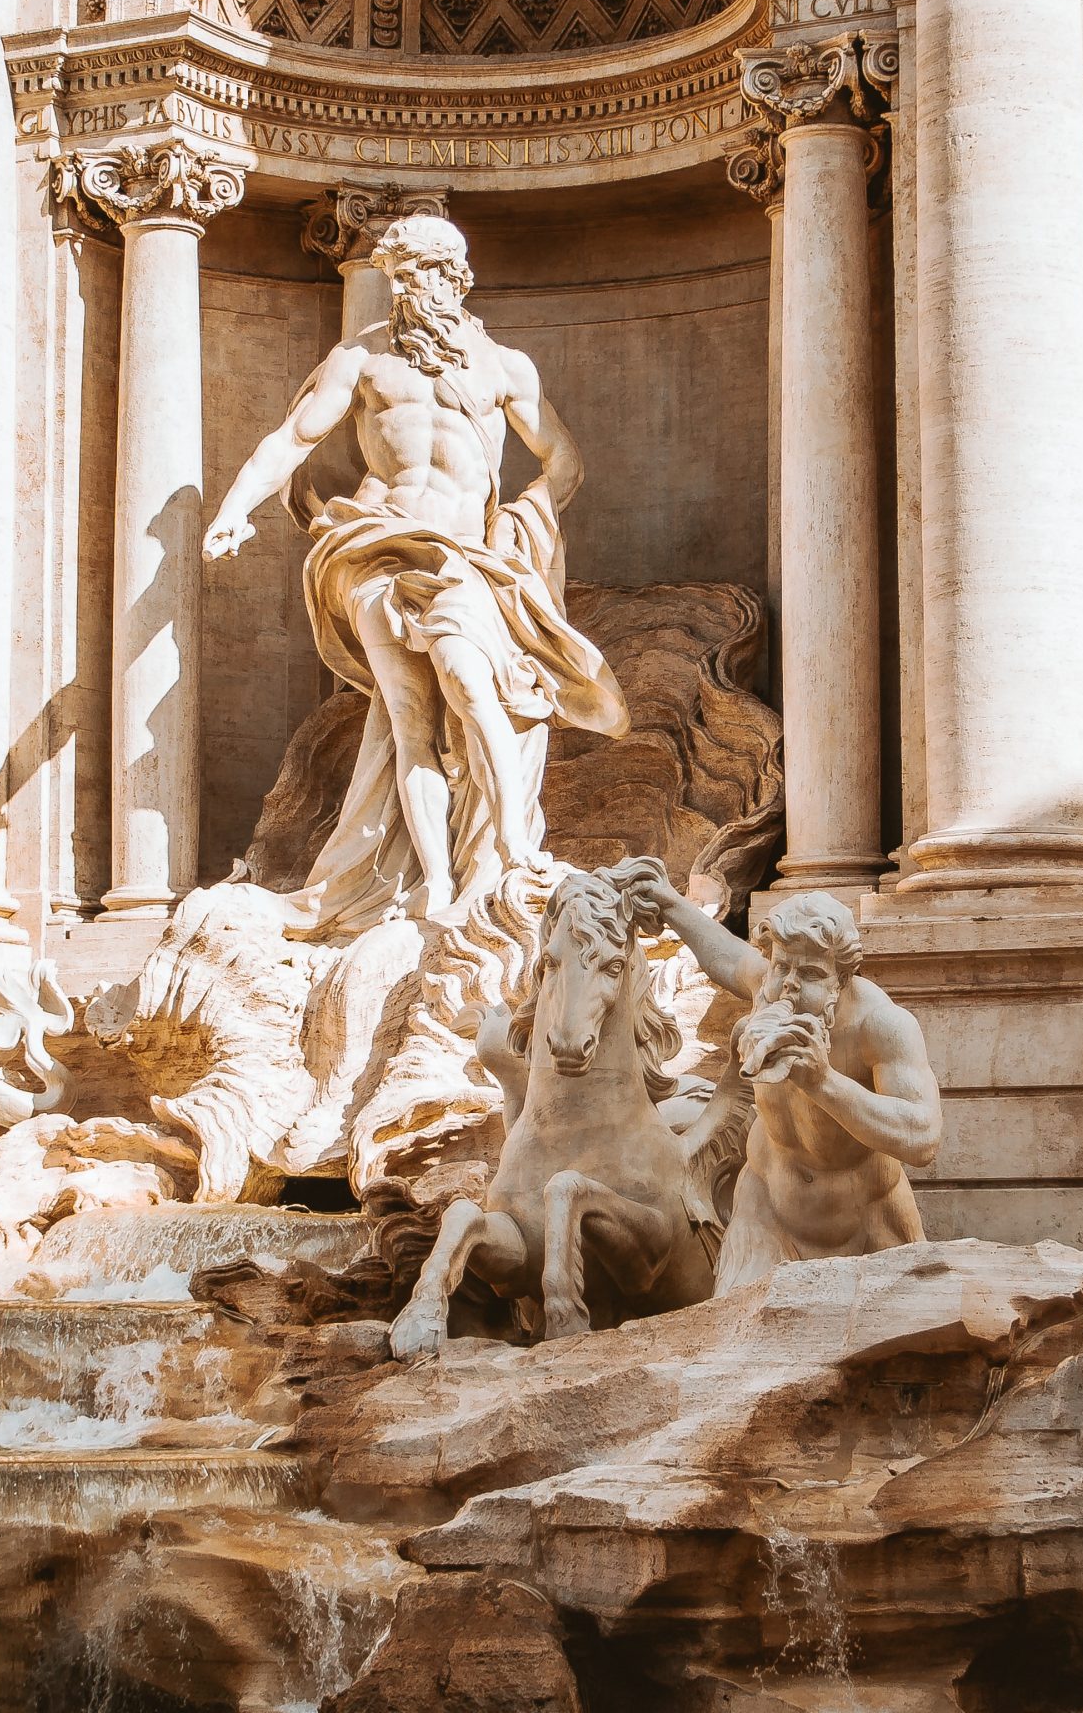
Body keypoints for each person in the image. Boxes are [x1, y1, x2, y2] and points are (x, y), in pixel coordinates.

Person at [203, 215, 627, 932]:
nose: (408, 288)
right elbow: (293, 438)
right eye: (398, 275)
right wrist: (233, 507)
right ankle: (433, 884)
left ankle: (514, 845)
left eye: (422, 272)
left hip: (462, 555)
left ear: (456, 277)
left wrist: (523, 523)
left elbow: (564, 461)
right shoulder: (361, 361)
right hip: (375, 546)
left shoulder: (504, 368)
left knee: (471, 684)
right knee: (410, 726)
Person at [642, 881, 943, 1291]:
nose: (790, 985)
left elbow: (923, 1137)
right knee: (741, 1344)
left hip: (869, 1223)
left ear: (842, 978)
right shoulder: (767, 988)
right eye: (782, 966)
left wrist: (824, 1083)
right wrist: (670, 903)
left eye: (811, 973)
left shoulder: (881, 1025)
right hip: (766, 1214)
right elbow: (726, 954)